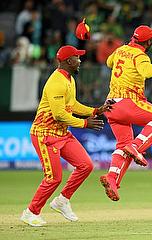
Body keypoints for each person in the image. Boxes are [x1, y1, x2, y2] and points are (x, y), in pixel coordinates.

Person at [20, 45, 114, 227]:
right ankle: (30, 212)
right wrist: (85, 123)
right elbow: (59, 114)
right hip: (44, 134)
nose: (80, 61)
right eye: (77, 58)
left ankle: (62, 200)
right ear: (68, 61)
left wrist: (96, 110)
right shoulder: (56, 82)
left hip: (62, 133)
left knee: (85, 165)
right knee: (53, 177)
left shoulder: (69, 79)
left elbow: (73, 105)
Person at [100, 25, 152, 201]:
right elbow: (147, 71)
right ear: (148, 41)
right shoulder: (140, 55)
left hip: (110, 105)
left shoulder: (122, 49)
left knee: (123, 146)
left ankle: (112, 179)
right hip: (126, 101)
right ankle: (136, 147)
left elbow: (108, 62)